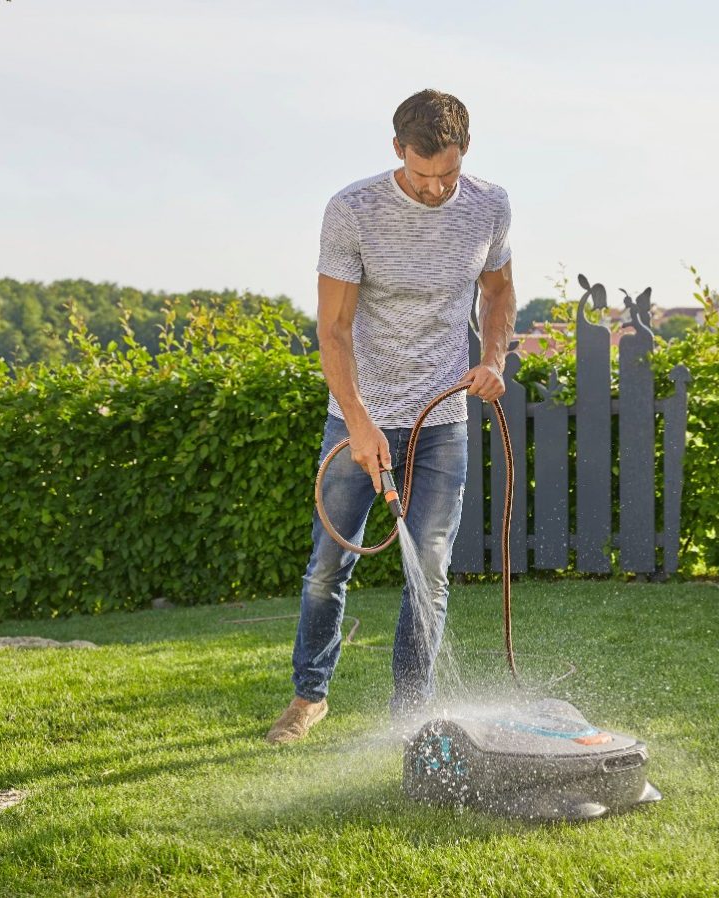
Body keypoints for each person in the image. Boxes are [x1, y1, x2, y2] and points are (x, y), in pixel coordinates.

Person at [266, 89, 516, 743]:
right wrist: (358, 420)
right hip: (361, 419)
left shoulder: (490, 205)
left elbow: (498, 291)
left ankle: (412, 716)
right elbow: (335, 329)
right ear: (397, 149)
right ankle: (308, 697)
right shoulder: (353, 211)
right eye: (423, 174)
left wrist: (493, 358)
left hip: (443, 421)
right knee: (328, 567)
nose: (436, 190)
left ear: (466, 156)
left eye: (449, 175)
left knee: (428, 571)